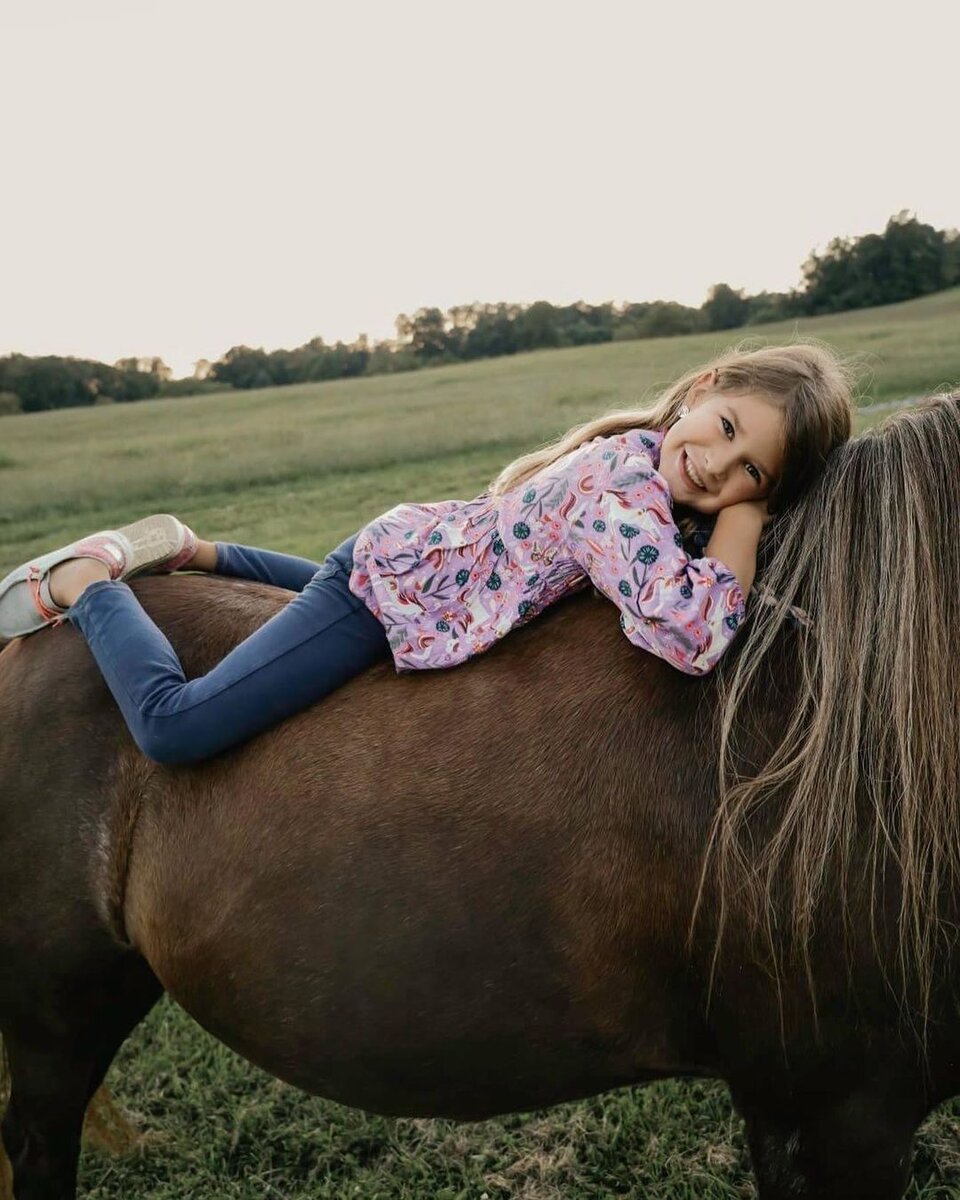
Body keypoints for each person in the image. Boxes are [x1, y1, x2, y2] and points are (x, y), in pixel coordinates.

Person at [0, 343, 853, 765]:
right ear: (704, 388)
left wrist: (741, 499)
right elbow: (690, 632)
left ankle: (196, 550)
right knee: (178, 730)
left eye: (749, 470)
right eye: (729, 430)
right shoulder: (618, 490)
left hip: (424, 575)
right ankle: (87, 583)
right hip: (390, 591)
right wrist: (753, 511)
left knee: (324, 593)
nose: (717, 466)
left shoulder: (643, 471)